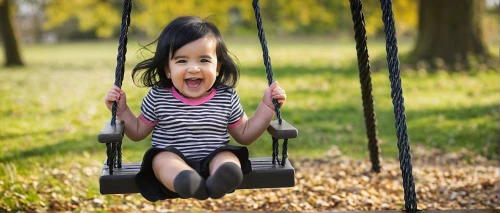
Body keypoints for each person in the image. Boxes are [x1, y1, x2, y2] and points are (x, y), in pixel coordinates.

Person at [104, 16, 287, 202]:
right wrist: (122, 110)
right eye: (182, 61)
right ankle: (186, 181)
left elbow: (245, 134)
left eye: (204, 60)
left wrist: (267, 107)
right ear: (168, 69)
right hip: (173, 158)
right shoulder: (159, 96)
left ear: (217, 67)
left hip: (214, 159)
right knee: (161, 159)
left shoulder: (226, 96)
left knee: (227, 156)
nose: (193, 68)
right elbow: (136, 132)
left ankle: (224, 177)